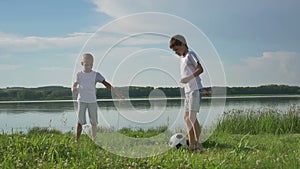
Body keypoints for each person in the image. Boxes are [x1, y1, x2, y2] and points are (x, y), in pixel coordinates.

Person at [72, 53, 123, 142]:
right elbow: (75, 83)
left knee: (94, 122)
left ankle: (94, 140)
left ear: (93, 64)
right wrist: (73, 88)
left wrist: (118, 94)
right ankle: (77, 140)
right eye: (86, 65)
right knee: (80, 121)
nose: (88, 67)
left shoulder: (96, 75)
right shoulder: (79, 74)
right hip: (81, 100)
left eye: (90, 65)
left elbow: (106, 84)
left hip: (92, 101)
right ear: (82, 63)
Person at [169, 34, 205, 153]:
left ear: (183, 45)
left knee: (192, 117)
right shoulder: (183, 58)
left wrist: (188, 78)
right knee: (186, 118)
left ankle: (198, 146)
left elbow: (200, 69)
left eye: (177, 50)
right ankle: (192, 144)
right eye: (174, 51)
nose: (176, 53)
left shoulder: (190, 55)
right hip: (188, 91)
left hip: (194, 90)